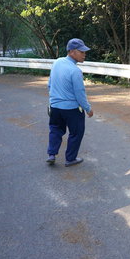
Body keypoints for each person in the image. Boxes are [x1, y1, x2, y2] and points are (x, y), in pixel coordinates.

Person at [46, 38, 94, 167]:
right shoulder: (75, 71)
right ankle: (70, 159)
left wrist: (53, 100)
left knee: (55, 129)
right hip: (71, 109)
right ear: (72, 52)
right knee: (76, 133)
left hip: (55, 107)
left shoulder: (57, 62)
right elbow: (80, 93)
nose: (84, 54)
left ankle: (51, 154)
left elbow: (49, 84)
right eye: (82, 52)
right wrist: (88, 108)